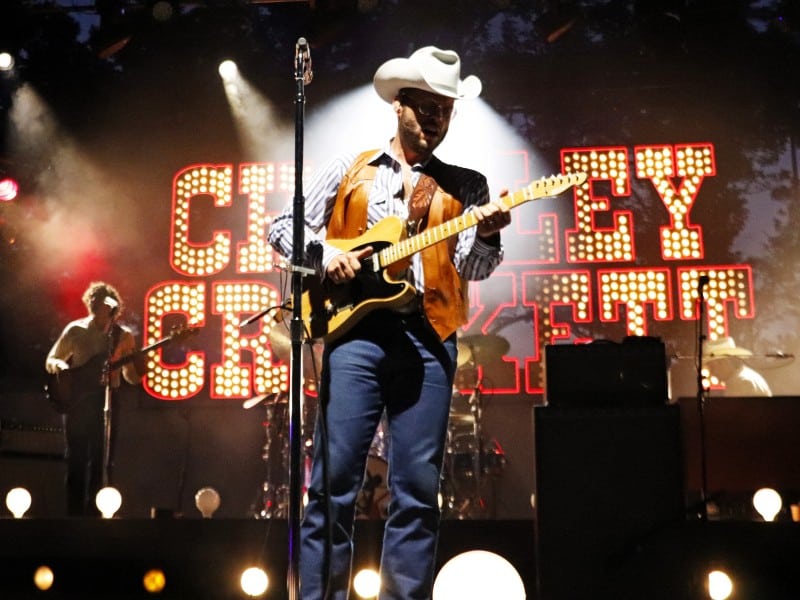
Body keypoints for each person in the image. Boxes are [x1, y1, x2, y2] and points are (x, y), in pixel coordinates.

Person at [268, 46, 510, 599]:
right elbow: (282, 226)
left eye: (444, 110)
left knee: (418, 489)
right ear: (398, 106)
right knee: (332, 484)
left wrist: (491, 230)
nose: (434, 119)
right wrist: (326, 253)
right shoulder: (350, 168)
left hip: (429, 339)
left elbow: (473, 265)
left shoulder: (466, 185)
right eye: (424, 107)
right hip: (355, 336)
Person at [45, 281, 145, 516]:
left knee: (102, 460)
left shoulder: (123, 337)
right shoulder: (75, 330)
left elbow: (131, 379)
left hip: (108, 400)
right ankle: (73, 515)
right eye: (93, 302)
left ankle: (95, 515)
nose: (96, 307)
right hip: (78, 403)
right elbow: (52, 359)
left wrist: (140, 367)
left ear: (112, 307)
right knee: (76, 458)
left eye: (101, 304)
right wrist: (61, 366)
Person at [704, 336, 772, 397]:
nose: (712, 373)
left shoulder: (742, 383)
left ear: (723, 362)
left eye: (712, 367)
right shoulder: (740, 378)